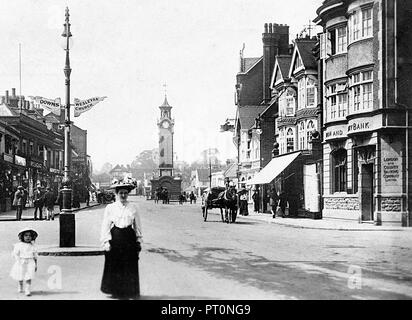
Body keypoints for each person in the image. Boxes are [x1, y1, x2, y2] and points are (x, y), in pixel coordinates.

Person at [100, 178, 143, 299]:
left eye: (125, 193)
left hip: (129, 237)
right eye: (121, 193)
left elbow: (137, 225)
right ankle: (116, 290)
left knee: (129, 264)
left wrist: (138, 240)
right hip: (116, 237)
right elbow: (106, 225)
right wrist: (106, 241)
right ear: (117, 194)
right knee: (116, 264)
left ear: (128, 194)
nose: (123, 195)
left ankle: (130, 291)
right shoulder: (110, 207)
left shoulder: (133, 207)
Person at [10, 228, 38, 296]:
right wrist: (18, 260)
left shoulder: (33, 246)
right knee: (20, 275)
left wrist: (36, 264)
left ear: (32, 237)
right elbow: (15, 254)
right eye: (26, 235)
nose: (28, 237)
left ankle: (27, 289)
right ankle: (20, 285)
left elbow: (35, 256)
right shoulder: (19, 245)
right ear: (22, 237)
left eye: (29, 236)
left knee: (29, 275)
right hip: (21, 262)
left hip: (30, 262)